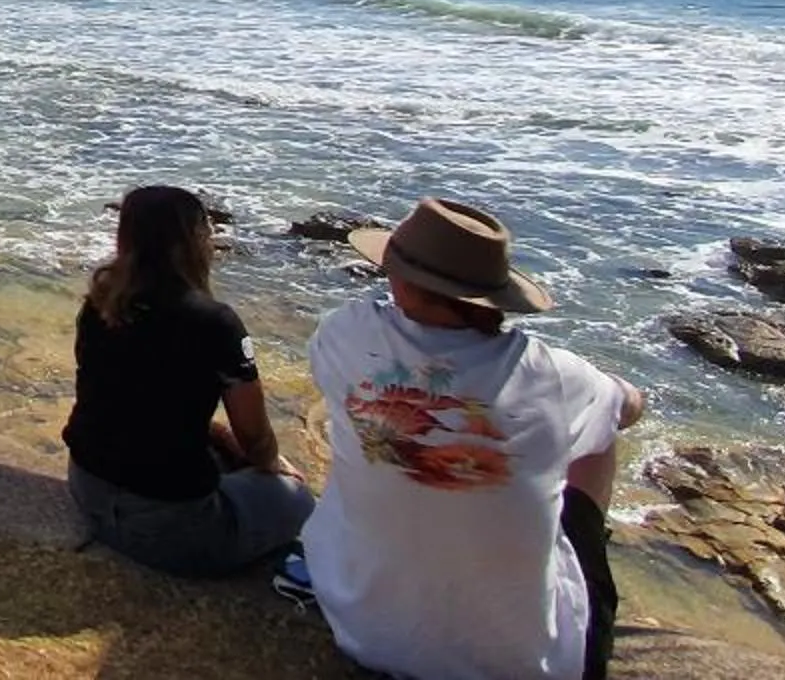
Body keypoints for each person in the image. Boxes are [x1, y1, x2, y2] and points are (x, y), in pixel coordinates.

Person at [303, 197, 647, 680]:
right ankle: (583, 548)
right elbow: (630, 406)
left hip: (365, 628)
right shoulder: (553, 375)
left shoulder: (344, 333)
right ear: (493, 297)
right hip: (524, 665)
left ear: (399, 281)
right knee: (599, 431)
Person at [61, 185, 314, 576]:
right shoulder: (216, 323)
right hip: (171, 530)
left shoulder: (100, 304)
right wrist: (274, 465)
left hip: (86, 487)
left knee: (220, 454)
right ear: (195, 240)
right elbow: (256, 438)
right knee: (298, 498)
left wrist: (222, 439)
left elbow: (126, 398)